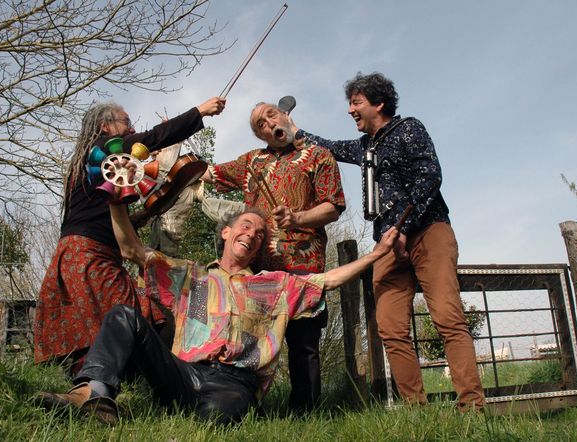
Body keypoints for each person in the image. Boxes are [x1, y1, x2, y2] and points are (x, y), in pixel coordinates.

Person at [37, 206, 398, 425]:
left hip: (234, 384)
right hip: (182, 372)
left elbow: (329, 279)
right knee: (122, 316)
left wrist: (377, 253)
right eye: (245, 226)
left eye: (259, 234)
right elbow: (131, 248)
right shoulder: (190, 276)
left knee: (218, 418)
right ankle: (94, 394)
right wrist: (116, 201)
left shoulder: (275, 285)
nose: (252, 235)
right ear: (226, 232)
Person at [294, 72, 485, 411]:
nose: (350, 110)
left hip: (427, 231)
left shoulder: (408, 128)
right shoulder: (366, 146)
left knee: (447, 317)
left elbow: (430, 175)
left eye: (356, 102)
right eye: (350, 103)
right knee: (390, 326)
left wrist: (404, 226)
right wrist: (293, 131)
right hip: (387, 244)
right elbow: (330, 147)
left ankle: (472, 406)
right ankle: (415, 409)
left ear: (378, 103)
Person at [33, 96, 226, 374]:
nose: (133, 129)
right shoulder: (103, 151)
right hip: (90, 256)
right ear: (105, 127)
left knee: (104, 322)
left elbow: (103, 221)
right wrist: (200, 112)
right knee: (134, 315)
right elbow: (153, 138)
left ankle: (102, 383)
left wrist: (146, 214)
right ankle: (121, 385)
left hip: (77, 255)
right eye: (126, 122)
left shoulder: (90, 165)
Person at [200, 101, 346, 412]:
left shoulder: (318, 155)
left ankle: (305, 414)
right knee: (249, 339)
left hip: (303, 264)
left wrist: (297, 218)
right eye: (259, 124)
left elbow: (333, 206)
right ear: (259, 135)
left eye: (270, 115)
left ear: (284, 115)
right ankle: (244, 406)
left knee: (303, 343)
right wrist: (172, 153)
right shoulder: (252, 162)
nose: (267, 123)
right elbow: (210, 173)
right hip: (258, 270)